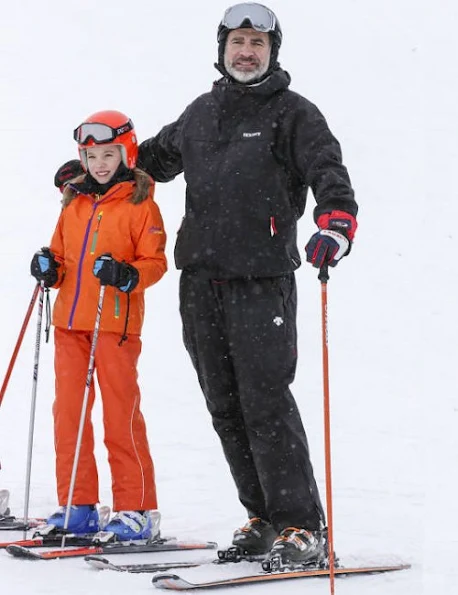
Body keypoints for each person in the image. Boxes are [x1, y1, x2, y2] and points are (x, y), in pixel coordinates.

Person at [136, 2, 358, 567]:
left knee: (265, 402)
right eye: (237, 42)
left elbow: (329, 175)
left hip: (263, 283)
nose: (246, 52)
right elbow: (149, 164)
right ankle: (263, 516)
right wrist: (97, 168)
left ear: (271, 52)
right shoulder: (200, 113)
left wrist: (334, 226)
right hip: (200, 283)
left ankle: (303, 527)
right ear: (222, 49)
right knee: (225, 406)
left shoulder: (294, 114)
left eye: (257, 44)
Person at [31, 110, 167, 541]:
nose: (101, 164)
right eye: (92, 156)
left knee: (119, 416)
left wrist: (127, 274)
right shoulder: (74, 202)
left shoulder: (140, 204)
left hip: (114, 325)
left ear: (126, 153)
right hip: (70, 324)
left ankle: (137, 509)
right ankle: (78, 503)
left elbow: (155, 262)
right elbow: (61, 254)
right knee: (67, 415)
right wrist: (49, 268)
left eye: (110, 154)